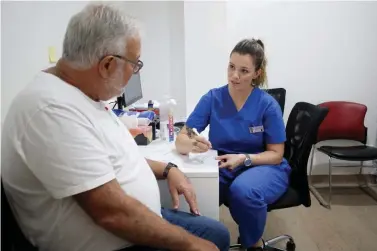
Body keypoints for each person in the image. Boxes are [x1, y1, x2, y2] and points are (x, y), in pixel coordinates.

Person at [1, 4, 230, 251]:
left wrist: (168, 169)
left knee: (218, 234)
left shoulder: (85, 95)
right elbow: (111, 213)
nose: (135, 72)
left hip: (135, 221)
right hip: (118, 239)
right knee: (210, 242)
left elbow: (116, 159)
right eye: (136, 64)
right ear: (107, 65)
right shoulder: (50, 109)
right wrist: (190, 245)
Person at [175, 38, 290, 251]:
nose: (234, 75)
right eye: (231, 67)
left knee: (244, 190)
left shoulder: (267, 105)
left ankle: (253, 244)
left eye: (244, 70)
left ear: (257, 73)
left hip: (263, 165)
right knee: (194, 186)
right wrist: (190, 142)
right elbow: (183, 135)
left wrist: (245, 158)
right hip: (224, 164)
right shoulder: (213, 98)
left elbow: (276, 154)